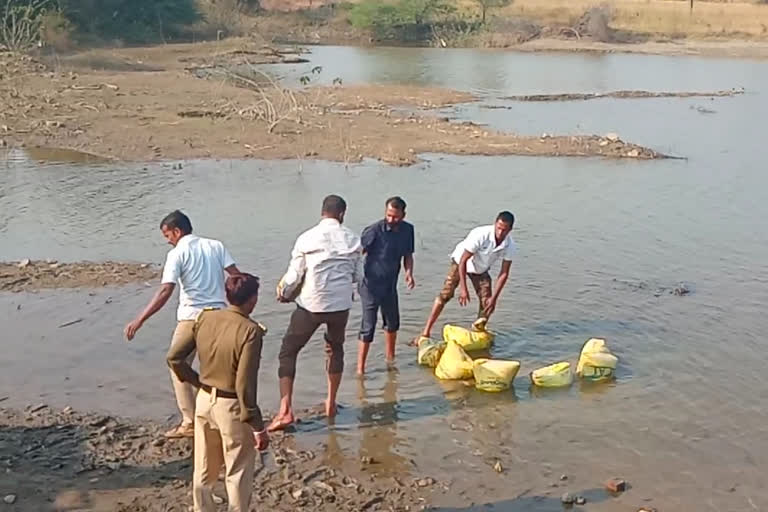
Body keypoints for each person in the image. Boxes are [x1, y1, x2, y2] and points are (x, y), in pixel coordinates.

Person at [124, 210, 240, 439]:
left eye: (168, 235)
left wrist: (140, 319)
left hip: (192, 318)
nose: (167, 240)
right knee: (214, 368)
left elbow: (166, 290)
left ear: (177, 231)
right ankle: (217, 409)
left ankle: (189, 420)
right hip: (218, 316)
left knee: (176, 364)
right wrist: (240, 310)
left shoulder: (177, 253)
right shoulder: (215, 246)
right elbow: (236, 277)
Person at [167, 273, 268, 512]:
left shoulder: (205, 318)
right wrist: (258, 426)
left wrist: (197, 383)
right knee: (238, 470)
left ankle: (203, 509)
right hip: (231, 406)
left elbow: (174, 358)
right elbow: (245, 385)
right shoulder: (250, 331)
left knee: (204, 467)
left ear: (226, 295)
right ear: (253, 300)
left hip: (204, 401)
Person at [268, 194, 362, 431]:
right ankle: (331, 401)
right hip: (340, 306)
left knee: (288, 352)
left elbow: (294, 276)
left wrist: (283, 292)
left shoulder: (307, 238)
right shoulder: (353, 239)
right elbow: (358, 277)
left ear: (322, 213)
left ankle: (285, 410)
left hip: (312, 305)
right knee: (335, 348)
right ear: (342, 214)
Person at [419, 211, 516, 340]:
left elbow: (504, 273)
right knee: (446, 294)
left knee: (487, 302)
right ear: (495, 224)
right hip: (460, 262)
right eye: (498, 228)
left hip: (480, 268)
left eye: (504, 230)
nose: (500, 233)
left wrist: (494, 298)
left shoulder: (510, 245)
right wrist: (463, 289)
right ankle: (426, 332)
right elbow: (464, 260)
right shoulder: (481, 235)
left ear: (510, 230)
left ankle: (478, 332)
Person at [356, 196, 415, 376]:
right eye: (389, 215)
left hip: (390, 285)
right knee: (368, 326)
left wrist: (409, 273)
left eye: (396, 216)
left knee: (392, 323)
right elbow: (358, 253)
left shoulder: (407, 230)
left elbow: (408, 255)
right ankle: (360, 369)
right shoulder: (373, 231)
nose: (391, 220)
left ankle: (390, 359)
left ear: (403, 215)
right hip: (370, 285)